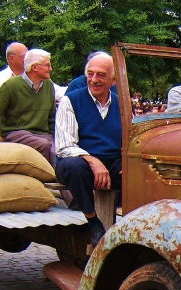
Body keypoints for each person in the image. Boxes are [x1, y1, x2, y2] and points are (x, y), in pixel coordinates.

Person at [55, 53, 122, 247]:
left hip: (111, 161)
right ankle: (93, 222)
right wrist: (93, 161)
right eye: (90, 74)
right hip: (77, 159)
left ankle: (135, 226)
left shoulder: (122, 104)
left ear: (113, 79)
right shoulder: (71, 100)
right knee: (75, 168)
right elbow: (64, 145)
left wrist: (128, 162)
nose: (94, 80)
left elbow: (129, 140)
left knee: (140, 172)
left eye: (101, 75)